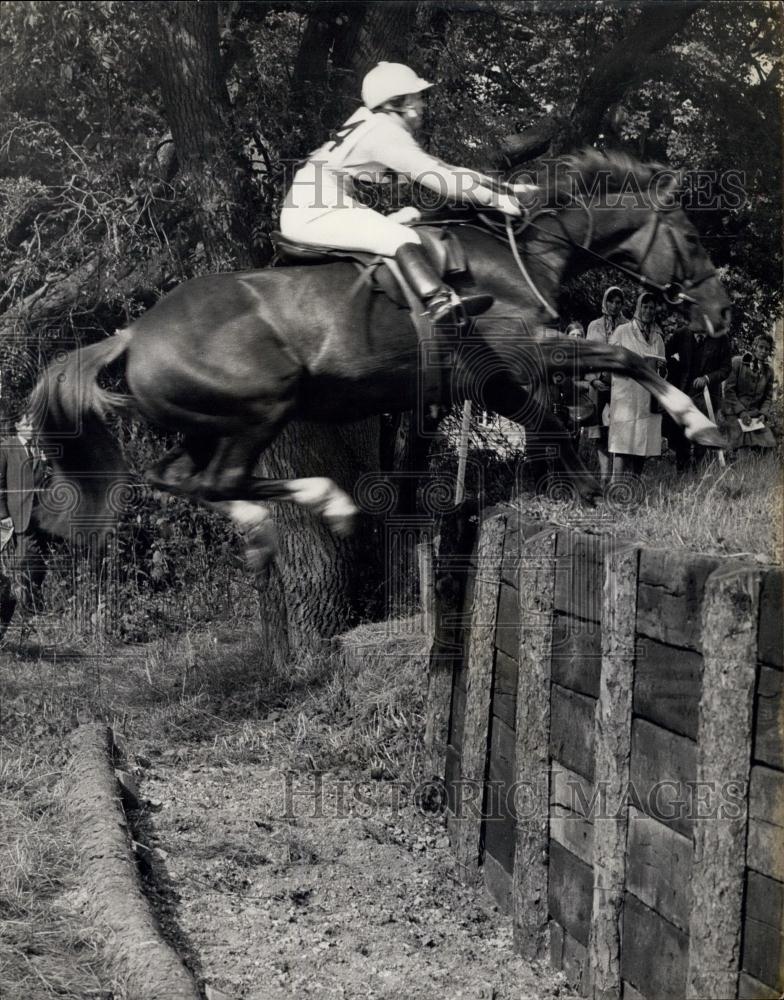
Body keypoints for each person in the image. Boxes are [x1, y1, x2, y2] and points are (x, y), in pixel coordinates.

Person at [280, 61, 523, 324]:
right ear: (397, 102)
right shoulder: (383, 133)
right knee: (401, 236)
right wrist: (493, 199)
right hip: (315, 210)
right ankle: (439, 302)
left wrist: (506, 189)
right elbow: (442, 180)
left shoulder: (375, 124)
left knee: (407, 220)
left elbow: (445, 168)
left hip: (323, 203)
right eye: (417, 98)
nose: (422, 105)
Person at [0, 411, 52, 637]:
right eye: (27, 423)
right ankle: (20, 617)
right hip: (15, 517)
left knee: (36, 567)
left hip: (40, 519)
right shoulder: (7, 447)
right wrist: (3, 514)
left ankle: (28, 618)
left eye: (34, 423)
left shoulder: (39, 449)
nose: (32, 427)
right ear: (16, 425)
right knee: (24, 566)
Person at [607, 292, 667, 484]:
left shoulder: (658, 337)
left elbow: (662, 372)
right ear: (638, 308)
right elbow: (610, 362)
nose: (648, 311)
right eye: (645, 307)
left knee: (643, 444)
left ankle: (634, 484)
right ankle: (616, 486)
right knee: (623, 444)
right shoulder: (622, 332)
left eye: (652, 307)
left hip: (648, 398)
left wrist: (662, 369)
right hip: (627, 395)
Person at [664, 323, 732, 469]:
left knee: (702, 434)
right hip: (683, 393)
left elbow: (726, 368)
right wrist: (676, 370)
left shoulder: (721, 338)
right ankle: (681, 471)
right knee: (681, 433)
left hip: (708, 396)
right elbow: (666, 356)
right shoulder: (681, 334)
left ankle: (699, 471)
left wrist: (707, 378)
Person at [585, 287, 627, 486]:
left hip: (619, 385)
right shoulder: (594, 326)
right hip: (597, 383)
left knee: (618, 428)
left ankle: (616, 477)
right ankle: (603, 475)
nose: (614, 305)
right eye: (611, 301)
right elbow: (585, 356)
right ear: (605, 302)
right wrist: (593, 379)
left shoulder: (628, 326)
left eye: (618, 302)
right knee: (599, 431)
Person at [718, 334, 776, 451]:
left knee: (768, 445)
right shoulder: (737, 363)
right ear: (754, 347)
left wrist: (763, 414)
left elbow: (767, 397)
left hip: (755, 416)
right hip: (734, 413)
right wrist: (742, 412)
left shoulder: (769, 371)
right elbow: (729, 391)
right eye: (761, 347)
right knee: (738, 446)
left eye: (767, 349)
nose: (763, 351)